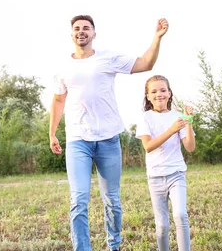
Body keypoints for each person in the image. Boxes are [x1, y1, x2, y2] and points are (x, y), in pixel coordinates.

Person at [50, 14, 169, 251]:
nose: (81, 31)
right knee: (79, 199)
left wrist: (156, 37)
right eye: (77, 28)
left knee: (112, 201)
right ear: (71, 34)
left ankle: (114, 246)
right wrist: (52, 133)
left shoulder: (108, 58)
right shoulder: (63, 66)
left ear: (94, 33)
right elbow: (58, 100)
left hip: (108, 139)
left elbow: (146, 64)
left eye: (86, 28)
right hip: (77, 141)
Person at [136, 75, 196, 251]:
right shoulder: (145, 118)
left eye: (163, 90)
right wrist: (172, 130)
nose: (159, 94)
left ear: (169, 93)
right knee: (162, 226)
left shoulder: (178, 117)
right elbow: (148, 146)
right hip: (155, 177)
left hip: (176, 174)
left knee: (180, 215)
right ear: (148, 96)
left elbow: (190, 147)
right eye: (153, 91)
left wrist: (189, 121)